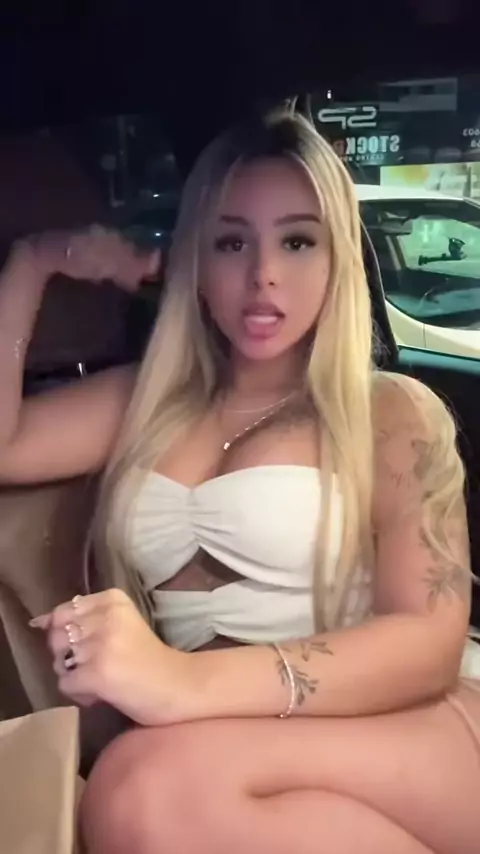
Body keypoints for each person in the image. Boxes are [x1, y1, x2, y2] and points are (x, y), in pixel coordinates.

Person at [1, 110, 480, 854]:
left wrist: (177, 682)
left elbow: (427, 640)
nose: (264, 275)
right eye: (232, 242)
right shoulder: (145, 402)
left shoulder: (389, 411)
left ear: (337, 255)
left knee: (143, 790)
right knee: (145, 788)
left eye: (297, 241)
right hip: (216, 744)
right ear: (195, 259)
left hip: (400, 721)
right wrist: (32, 264)